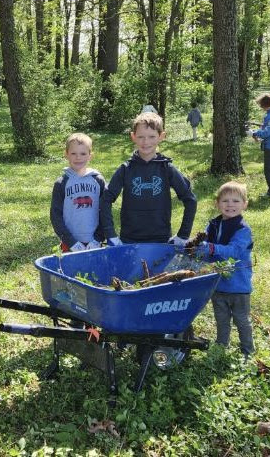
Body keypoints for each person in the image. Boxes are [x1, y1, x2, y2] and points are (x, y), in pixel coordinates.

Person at [100, 112, 197, 246]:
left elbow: (190, 200)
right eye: (141, 137)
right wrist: (111, 235)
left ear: (161, 136)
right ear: (133, 137)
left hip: (161, 240)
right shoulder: (126, 169)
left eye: (152, 136)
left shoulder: (167, 169)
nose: (146, 142)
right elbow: (105, 200)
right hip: (129, 239)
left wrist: (183, 234)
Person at [194, 181, 254, 356]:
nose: (230, 205)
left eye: (236, 201)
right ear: (217, 203)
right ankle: (221, 345)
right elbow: (205, 248)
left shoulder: (243, 230)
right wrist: (197, 249)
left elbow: (234, 251)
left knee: (241, 320)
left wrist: (213, 248)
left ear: (244, 204)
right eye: (225, 200)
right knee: (221, 319)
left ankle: (247, 350)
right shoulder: (213, 225)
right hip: (218, 284)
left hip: (238, 286)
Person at [50, 133, 106, 252]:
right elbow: (55, 216)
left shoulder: (98, 181)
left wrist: (98, 238)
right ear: (66, 154)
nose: (78, 157)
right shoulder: (61, 183)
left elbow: (105, 212)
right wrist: (71, 242)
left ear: (90, 156)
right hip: (70, 243)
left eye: (83, 154)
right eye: (73, 153)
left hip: (94, 242)